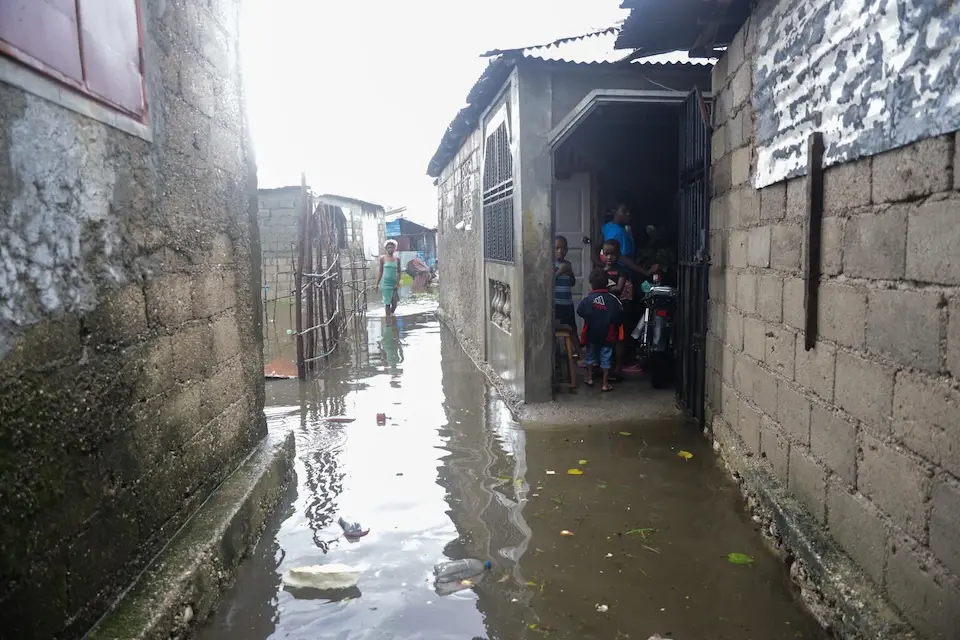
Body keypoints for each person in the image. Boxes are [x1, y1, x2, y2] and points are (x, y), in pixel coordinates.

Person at [577, 269, 623, 392]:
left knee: (590, 355)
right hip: (607, 335)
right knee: (606, 357)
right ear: (607, 284)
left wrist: (590, 316)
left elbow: (580, 310)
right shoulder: (612, 300)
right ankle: (604, 383)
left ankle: (590, 378)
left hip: (591, 333)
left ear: (591, 284)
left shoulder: (588, 299)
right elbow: (618, 317)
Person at [601, 239, 633, 379]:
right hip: (603, 309)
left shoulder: (621, 271)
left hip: (618, 309)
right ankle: (605, 366)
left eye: (612, 254)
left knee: (619, 339)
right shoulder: (601, 271)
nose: (609, 257)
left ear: (618, 254)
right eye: (606, 254)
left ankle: (618, 367)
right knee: (605, 337)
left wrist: (605, 288)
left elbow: (619, 289)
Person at [554, 235, 577, 330]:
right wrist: (560, 271)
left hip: (568, 303)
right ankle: (556, 345)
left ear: (567, 250)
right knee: (555, 329)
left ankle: (577, 345)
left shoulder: (568, 264)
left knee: (572, 328)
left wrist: (570, 273)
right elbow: (549, 282)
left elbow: (572, 283)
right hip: (556, 304)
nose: (560, 251)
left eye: (563, 248)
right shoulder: (550, 264)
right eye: (557, 248)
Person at [377, 239, 400, 316]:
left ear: (395, 248)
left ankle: (391, 314)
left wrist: (398, 283)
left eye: (392, 247)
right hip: (385, 284)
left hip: (393, 284)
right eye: (389, 247)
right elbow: (380, 271)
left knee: (394, 302)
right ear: (386, 248)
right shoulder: (382, 259)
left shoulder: (397, 259)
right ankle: (388, 320)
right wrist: (377, 284)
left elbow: (399, 272)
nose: (390, 249)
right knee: (387, 303)